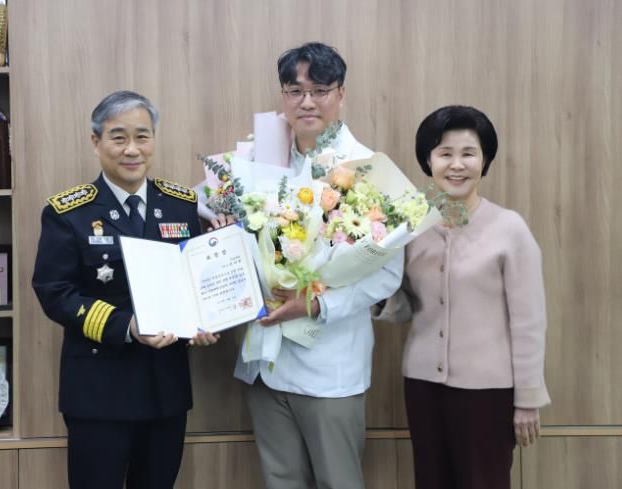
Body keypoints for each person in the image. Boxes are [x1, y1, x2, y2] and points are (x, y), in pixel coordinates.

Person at [232, 42, 404, 489]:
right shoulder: (256, 162)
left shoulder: (369, 169)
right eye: (295, 91)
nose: (306, 101)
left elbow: (387, 275)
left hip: (330, 366)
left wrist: (316, 305)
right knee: (281, 480)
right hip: (267, 362)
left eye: (320, 90)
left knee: (337, 482)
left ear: (341, 94)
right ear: (283, 96)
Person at [32, 90, 218, 489]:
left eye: (142, 136)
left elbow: (193, 281)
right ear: (96, 141)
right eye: (119, 137)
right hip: (99, 391)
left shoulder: (181, 205)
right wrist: (127, 326)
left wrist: (205, 320)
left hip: (165, 389)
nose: (132, 149)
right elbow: (54, 292)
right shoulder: (69, 213)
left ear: (153, 140)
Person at [376, 105, 551, 489]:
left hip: (488, 392)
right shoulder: (412, 227)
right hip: (422, 385)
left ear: (484, 160)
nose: (457, 165)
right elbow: (409, 305)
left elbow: (529, 321)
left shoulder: (510, 229)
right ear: (428, 160)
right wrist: (378, 300)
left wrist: (527, 399)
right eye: (445, 153)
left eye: (468, 153)